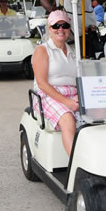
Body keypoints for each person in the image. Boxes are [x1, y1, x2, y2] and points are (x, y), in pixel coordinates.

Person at [31, 10, 80, 156]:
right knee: (67, 119)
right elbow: (42, 84)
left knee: (99, 115)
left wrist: (80, 97)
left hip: (73, 94)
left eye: (64, 25)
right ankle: (76, 165)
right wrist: (68, 102)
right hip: (48, 95)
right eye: (56, 26)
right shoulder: (42, 50)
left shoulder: (73, 52)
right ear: (49, 28)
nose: (61, 29)